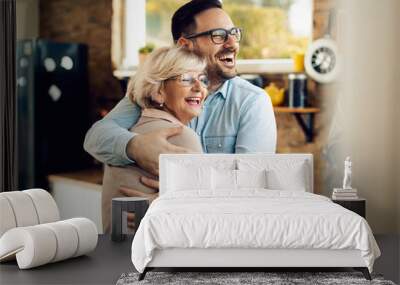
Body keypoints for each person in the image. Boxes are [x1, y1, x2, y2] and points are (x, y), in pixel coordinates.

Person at [84, 0, 277, 194]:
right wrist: (135, 146)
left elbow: (252, 187)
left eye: (234, 34)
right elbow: (95, 137)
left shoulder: (252, 102)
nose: (233, 44)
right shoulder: (156, 91)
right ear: (185, 45)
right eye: (218, 36)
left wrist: (178, 200)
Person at [102, 46, 207, 231]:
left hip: (116, 254)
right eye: (186, 79)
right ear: (159, 91)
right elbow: (204, 220)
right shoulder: (181, 137)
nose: (199, 87)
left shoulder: (125, 131)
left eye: (202, 79)